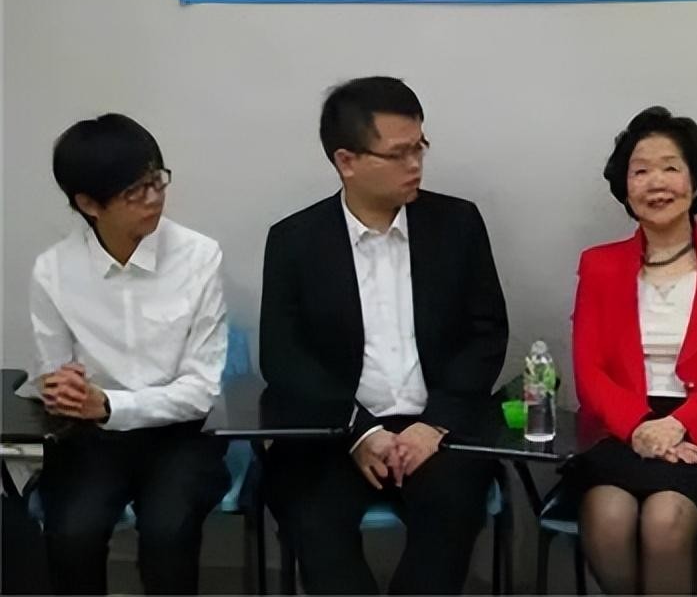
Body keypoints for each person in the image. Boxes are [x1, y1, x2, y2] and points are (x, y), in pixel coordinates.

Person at [260, 76, 508, 595]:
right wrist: (359, 431)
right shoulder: (294, 241)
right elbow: (283, 358)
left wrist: (434, 423)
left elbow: (486, 333)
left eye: (420, 147)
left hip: (437, 428)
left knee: (451, 515)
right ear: (346, 161)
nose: (415, 164)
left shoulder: (457, 224)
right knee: (314, 520)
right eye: (398, 154)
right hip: (336, 431)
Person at [562, 106, 697, 595]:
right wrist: (641, 428)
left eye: (670, 168)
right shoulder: (598, 266)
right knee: (608, 515)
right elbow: (589, 372)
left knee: (665, 516)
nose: (656, 183)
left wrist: (679, 425)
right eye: (640, 171)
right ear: (625, 189)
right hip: (622, 430)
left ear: (695, 183)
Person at [28, 114, 228, 595]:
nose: (154, 198)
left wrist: (110, 404)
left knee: (168, 533)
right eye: (135, 191)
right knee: (72, 534)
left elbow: (200, 390)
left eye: (157, 180)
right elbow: (52, 371)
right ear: (88, 204)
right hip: (93, 438)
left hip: (180, 435)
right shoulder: (53, 271)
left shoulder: (199, 256)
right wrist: (60, 388)